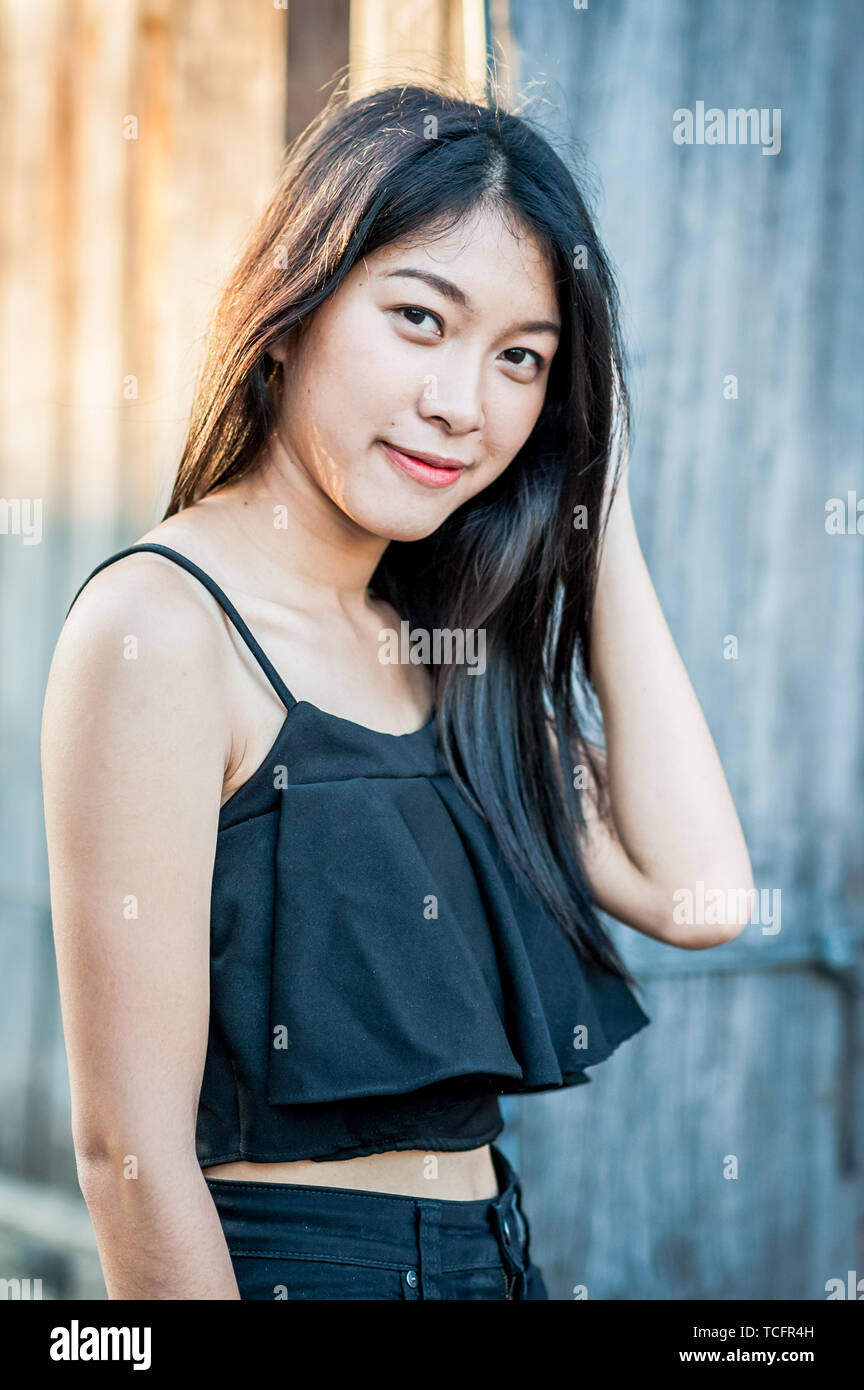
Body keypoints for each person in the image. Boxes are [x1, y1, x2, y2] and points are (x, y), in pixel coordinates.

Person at [41, 81, 754, 1300]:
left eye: (522, 359)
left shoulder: (439, 643)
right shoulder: (162, 628)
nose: (462, 405)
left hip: (497, 1258)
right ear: (293, 310)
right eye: (421, 319)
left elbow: (703, 896)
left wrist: (601, 509)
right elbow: (129, 1153)